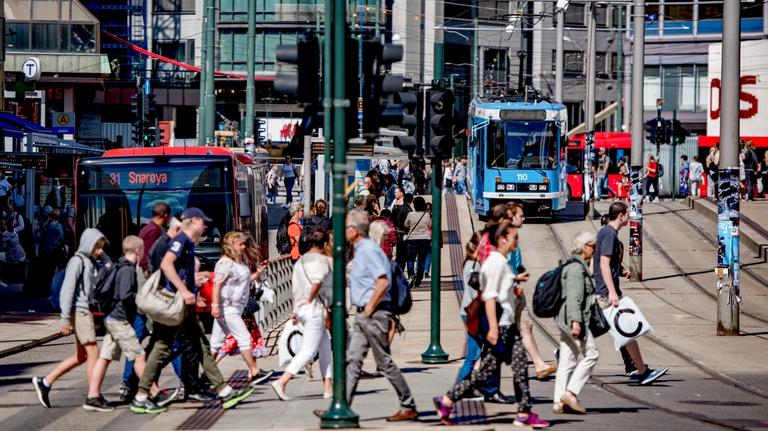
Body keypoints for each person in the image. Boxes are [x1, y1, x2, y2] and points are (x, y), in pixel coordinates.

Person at [131, 208, 253, 414]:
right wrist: (185, 290)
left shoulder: (187, 243)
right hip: (176, 305)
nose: (205, 227)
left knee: (201, 346)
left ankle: (224, 391)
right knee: (162, 347)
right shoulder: (182, 240)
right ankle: (141, 395)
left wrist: (196, 280)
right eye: (203, 223)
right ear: (194, 221)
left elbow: (178, 270)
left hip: (184, 306)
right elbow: (166, 265)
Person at [434, 221, 549, 428]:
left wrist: (514, 280)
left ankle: (524, 411)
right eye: (514, 236)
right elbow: (488, 295)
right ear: (503, 239)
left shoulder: (499, 262)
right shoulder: (496, 262)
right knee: (486, 372)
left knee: (520, 366)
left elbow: (497, 284)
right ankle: (448, 400)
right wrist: (494, 327)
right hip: (502, 327)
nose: (517, 240)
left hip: (507, 327)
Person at [317, 209, 418, 421]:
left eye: (345, 227)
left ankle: (408, 404)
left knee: (383, 363)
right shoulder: (360, 249)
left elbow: (383, 280)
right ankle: (341, 404)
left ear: (354, 230)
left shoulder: (368, 250)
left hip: (374, 314)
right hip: (364, 314)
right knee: (353, 360)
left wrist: (370, 307)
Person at [86, 236, 171, 411]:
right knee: (139, 356)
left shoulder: (120, 265)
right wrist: (143, 298)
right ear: (138, 250)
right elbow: (125, 295)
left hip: (112, 318)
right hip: (119, 320)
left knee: (105, 357)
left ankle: (92, 396)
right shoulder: (127, 270)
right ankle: (152, 394)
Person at [32, 229, 108, 409]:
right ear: (89, 244)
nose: (99, 252)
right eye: (97, 247)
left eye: (101, 248)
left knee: (81, 356)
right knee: (93, 354)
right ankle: (93, 396)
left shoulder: (90, 261)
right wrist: (64, 319)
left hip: (84, 311)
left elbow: (109, 267)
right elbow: (67, 290)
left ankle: (45, 382)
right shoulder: (77, 261)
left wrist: (102, 254)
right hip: (79, 312)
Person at [594, 202, 668, 385]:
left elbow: (604, 264)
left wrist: (618, 273)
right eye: (627, 213)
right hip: (606, 294)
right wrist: (612, 292)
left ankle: (641, 370)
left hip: (605, 291)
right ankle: (642, 371)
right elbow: (603, 264)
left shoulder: (606, 233)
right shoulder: (609, 234)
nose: (629, 216)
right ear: (621, 215)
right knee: (626, 330)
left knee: (625, 331)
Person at [271, 230, 333, 401]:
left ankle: (328, 386)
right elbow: (317, 282)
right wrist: (310, 299)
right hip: (314, 309)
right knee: (308, 350)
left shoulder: (300, 262)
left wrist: (296, 309)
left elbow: (294, 289)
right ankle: (282, 381)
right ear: (325, 245)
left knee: (325, 348)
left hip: (302, 308)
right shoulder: (322, 261)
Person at [456, 232, 512, 404]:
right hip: (474, 314)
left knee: (481, 353)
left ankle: (477, 388)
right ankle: (460, 389)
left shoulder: (473, 264)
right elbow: (478, 293)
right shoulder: (474, 266)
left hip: (471, 313)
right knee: (474, 355)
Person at [210, 231, 273, 383]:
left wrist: (258, 273)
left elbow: (244, 281)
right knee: (244, 338)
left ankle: (205, 373)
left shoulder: (238, 262)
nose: (243, 247)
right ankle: (254, 370)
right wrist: (215, 305)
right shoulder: (225, 263)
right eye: (240, 244)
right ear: (231, 245)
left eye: (244, 244)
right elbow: (217, 284)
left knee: (216, 343)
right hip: (228, 307)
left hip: (235, 307)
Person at [506, 203, 557, 379]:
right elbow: (501, 266)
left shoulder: (512, 236)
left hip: (514, 290)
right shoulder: (505, 238)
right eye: (521, 215)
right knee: (496, 336)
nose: (524, 218)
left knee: (525, 326)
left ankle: (539, 364)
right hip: (507, 292)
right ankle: (474, 372)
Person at [553, 231, 599, 415]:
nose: (594, 251)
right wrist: (576, 322)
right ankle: (570, 393)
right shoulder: (576, 269)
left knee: (567, 360)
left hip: (568, 319)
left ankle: (558, 402)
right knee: (592, 354)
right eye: (592, 246)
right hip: (575, 319)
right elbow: (574, 298)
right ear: (584, 247)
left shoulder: (578, 266)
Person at [404, 197, 431, 287]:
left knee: (410, 259)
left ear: (414, 204)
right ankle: (418, 281)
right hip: (424, 239)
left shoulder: (410, 214)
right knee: (421, 260)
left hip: (412, 239)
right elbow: (429, 225)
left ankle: (411, 275)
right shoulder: (426, 214)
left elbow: (406, 225)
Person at [139, 202, 171, 276]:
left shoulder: (148, 228)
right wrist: (147, 270)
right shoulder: (154, 231)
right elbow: (146, 252)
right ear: (166, 216)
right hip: (147, 272)